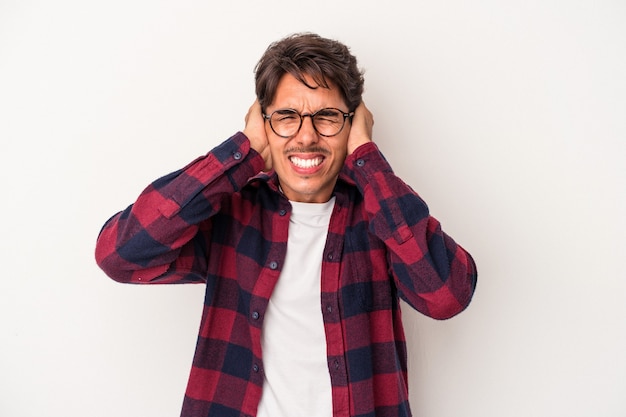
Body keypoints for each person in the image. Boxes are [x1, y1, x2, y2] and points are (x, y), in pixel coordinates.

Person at [95, 32, 477, 417]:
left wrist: (366, 158)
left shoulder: (381, 217)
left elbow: (446, 295)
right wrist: (240, 151)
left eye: (327, 116)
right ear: (264, 124)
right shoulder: (233, 214)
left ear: (352, 124)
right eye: (287, 117)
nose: (306, 136)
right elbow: (120, 255)